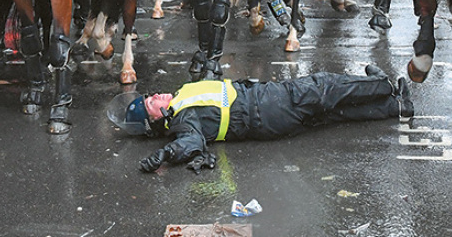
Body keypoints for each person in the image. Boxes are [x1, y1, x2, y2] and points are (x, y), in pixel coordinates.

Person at [107, 65, 413, 173]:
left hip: (269, 113)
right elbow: (190, 142)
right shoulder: (182, 121)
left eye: (151, 96)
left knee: (332, 113)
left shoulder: (183, 95)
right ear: (159, 120)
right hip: (269, 107)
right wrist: (163, 154)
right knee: (324, 88)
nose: (157, 96)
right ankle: (383, 85)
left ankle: (395, 107)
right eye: (152, 103)